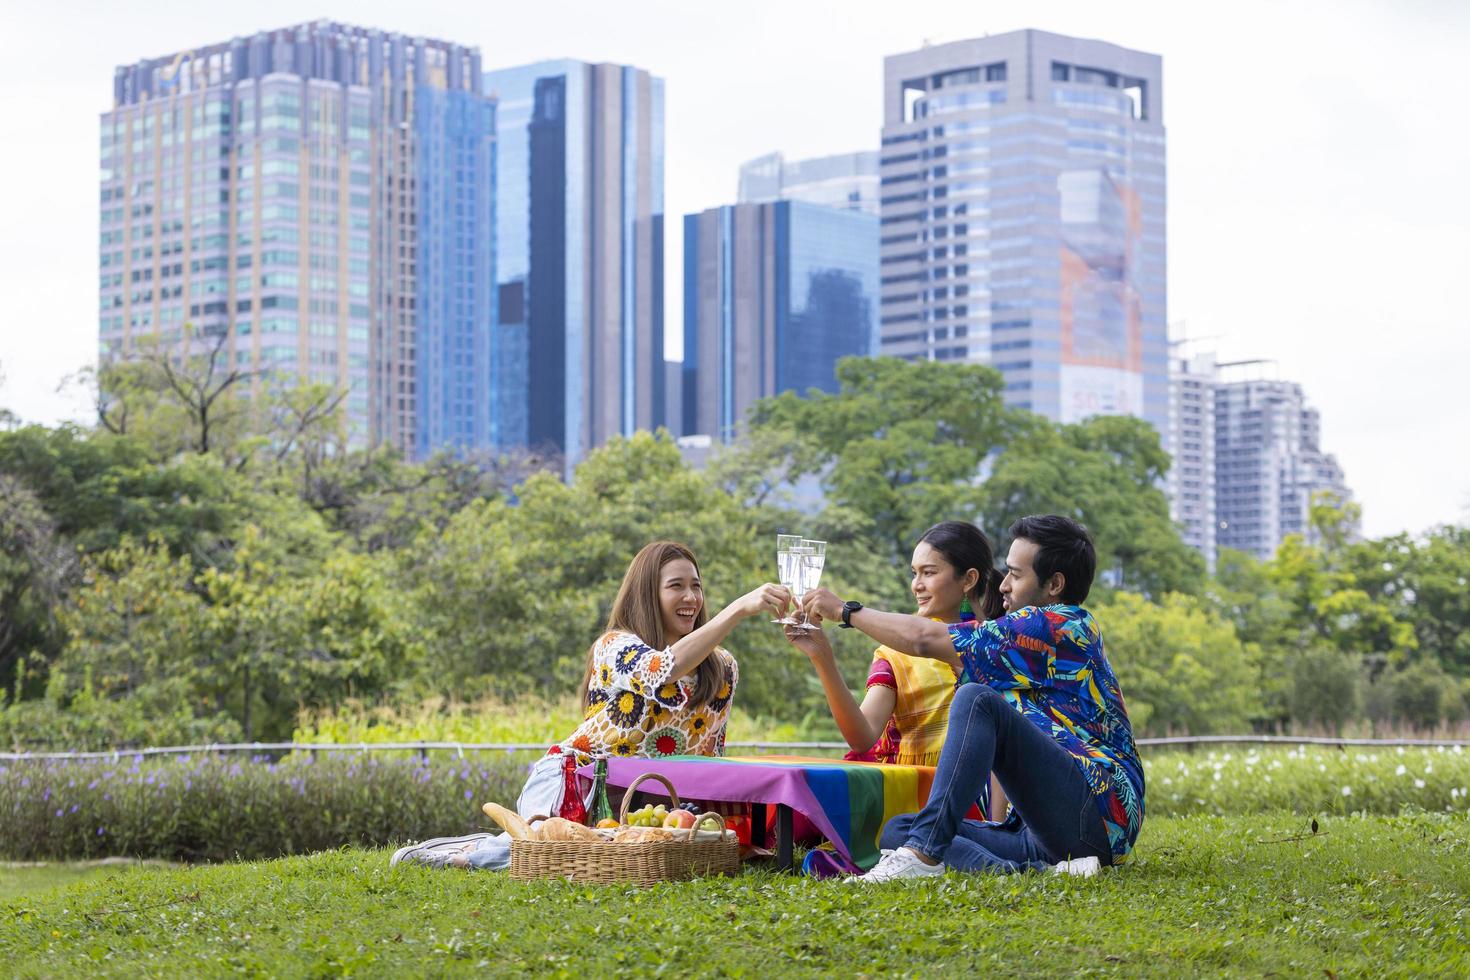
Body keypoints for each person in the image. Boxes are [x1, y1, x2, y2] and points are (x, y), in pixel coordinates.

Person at [392, 541, 789, 869]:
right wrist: (738, 609)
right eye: (676, 586)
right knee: (556, 857)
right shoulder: (615, 647)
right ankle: (452, 853)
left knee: (622, 860)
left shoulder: (722, 668)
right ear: (648, 593)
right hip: (578, 783)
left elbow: (710, 753)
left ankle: (495, 844)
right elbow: (661, 671)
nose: (690, 597)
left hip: (646, 799)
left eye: (696, 586)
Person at [799, 515, 1144, 881]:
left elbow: (925, 639)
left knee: (975, 700)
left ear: (1054, 584)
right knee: (898, 830)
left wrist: (846, 611)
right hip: (1045, 832)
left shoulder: (1056, 626)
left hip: (1097, 816)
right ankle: (1042, 871)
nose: (1005, 586)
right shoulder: (1021, 637)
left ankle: (924, 855)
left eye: (1015, 574)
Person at [784, 522, 1007, 818]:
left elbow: (1004, 751)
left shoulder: (1004, 643)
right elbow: (862, 737)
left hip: (982, 799)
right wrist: (822, 657)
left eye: (929, 572)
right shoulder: (895, 652)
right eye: (914, 573)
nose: (916, 584)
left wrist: (997, 824)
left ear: (968, 580)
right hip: (915, 797)